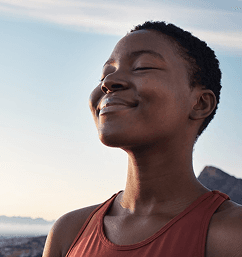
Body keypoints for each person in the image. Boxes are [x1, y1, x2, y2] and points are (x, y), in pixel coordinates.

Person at [43, 21, 242, 257]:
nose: (108, 83)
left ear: (200, 103)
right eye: (105, 74)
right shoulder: (68, 232)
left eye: (142, 67)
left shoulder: (232, 234)